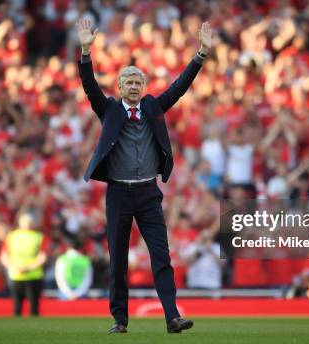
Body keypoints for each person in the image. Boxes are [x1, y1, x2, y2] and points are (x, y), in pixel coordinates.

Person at [75, 17, 211, 334]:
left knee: (161, 256)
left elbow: (179, 87)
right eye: (129, 82)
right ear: (120, 88)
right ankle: (120, 320)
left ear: (143, 87)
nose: (134, 86)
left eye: (138, 82)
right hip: (119, 194)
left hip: (148, 193)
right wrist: (85, 52)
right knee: (119, 259)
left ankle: (172, 317)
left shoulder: (152, 107)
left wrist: (200, 55)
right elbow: (89, 85)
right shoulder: (108, 109)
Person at [0, 212, 48, 316]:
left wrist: (16, 267)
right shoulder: (39, 237)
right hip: (32, 275)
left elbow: (4, 257)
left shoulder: (11, 236)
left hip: (18, 275)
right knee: (33, 309)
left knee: (18, 308)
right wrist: (28, 268)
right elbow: (42, 257)